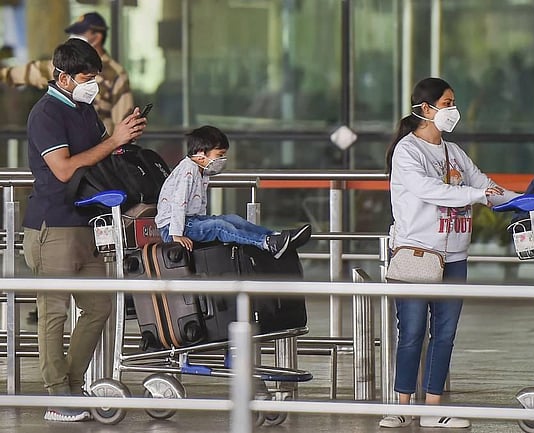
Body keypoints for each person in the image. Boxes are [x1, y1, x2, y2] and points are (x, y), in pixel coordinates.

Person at [379, 77, 519, 429]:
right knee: (411, 332)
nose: (453, 110)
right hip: (417, 254)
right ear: (425, 108)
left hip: (454, 255)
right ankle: (401, 405)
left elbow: (483, 183)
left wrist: (522, 200)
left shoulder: (453, 151)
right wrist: (477, 196)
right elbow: (428, 189)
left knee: (444, 334)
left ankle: (433, 407)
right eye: (447, 103)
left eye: (453, 102)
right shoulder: (407, 151)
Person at [22, 38, 147, 422]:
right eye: (85, 77)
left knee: (99, 307)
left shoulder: (85, 109)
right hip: (52, 226)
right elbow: (63, 169)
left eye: (94, 77)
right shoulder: (46, 114)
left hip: (86, 224)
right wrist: (113, 141)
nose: (92, 84)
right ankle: (57, 394)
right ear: (63, 77)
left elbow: (102, 152)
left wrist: (123, 138)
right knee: (54, 313)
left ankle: (72, 385)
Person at [155, 125, 312, 257]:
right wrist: (176, 234)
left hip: (190, 221)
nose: (222, 159)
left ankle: (275, 237)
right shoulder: (188, 170)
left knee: (233, 219)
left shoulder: (202, 171)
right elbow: (179, 202)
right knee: (219, 226)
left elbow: (200, 204)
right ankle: (266, 244)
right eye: (219, 155)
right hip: (172, 227)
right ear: (201, 153)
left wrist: (203, 221)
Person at [0, 12, 133, 134]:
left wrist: (117, 147)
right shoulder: (67, 65)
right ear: (63, 78)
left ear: (97, 37)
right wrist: (4, 74)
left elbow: (124, 120)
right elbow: (35, 72)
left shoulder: (115, 74)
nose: (74, 37)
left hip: (102, 144)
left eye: (80, 33)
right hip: (70, 141)